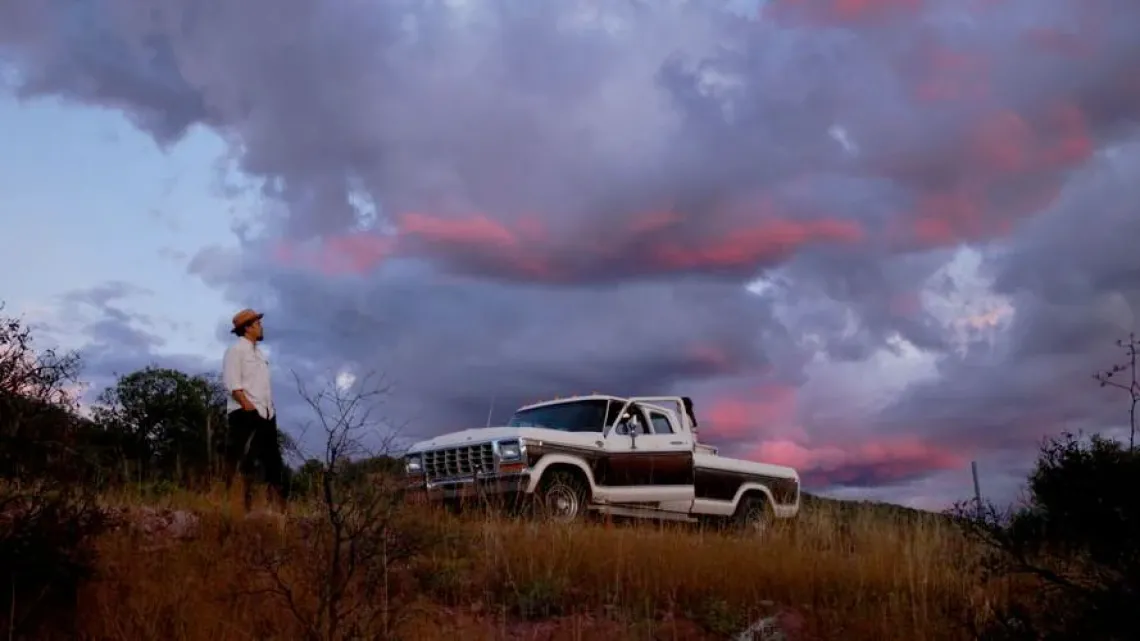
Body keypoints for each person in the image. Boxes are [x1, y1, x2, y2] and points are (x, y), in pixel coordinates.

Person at [222, 308, 289, 513]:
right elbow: (232, 384)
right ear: (248, 328)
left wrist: (269, 411)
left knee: (273, 463)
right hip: (245, 413)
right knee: (244, 460)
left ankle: (279, 509)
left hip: (266, 413)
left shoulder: (259, 354)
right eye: (257, 324)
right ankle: (238, 506)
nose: (261, 327)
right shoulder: (236, 351)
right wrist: (247, 406)